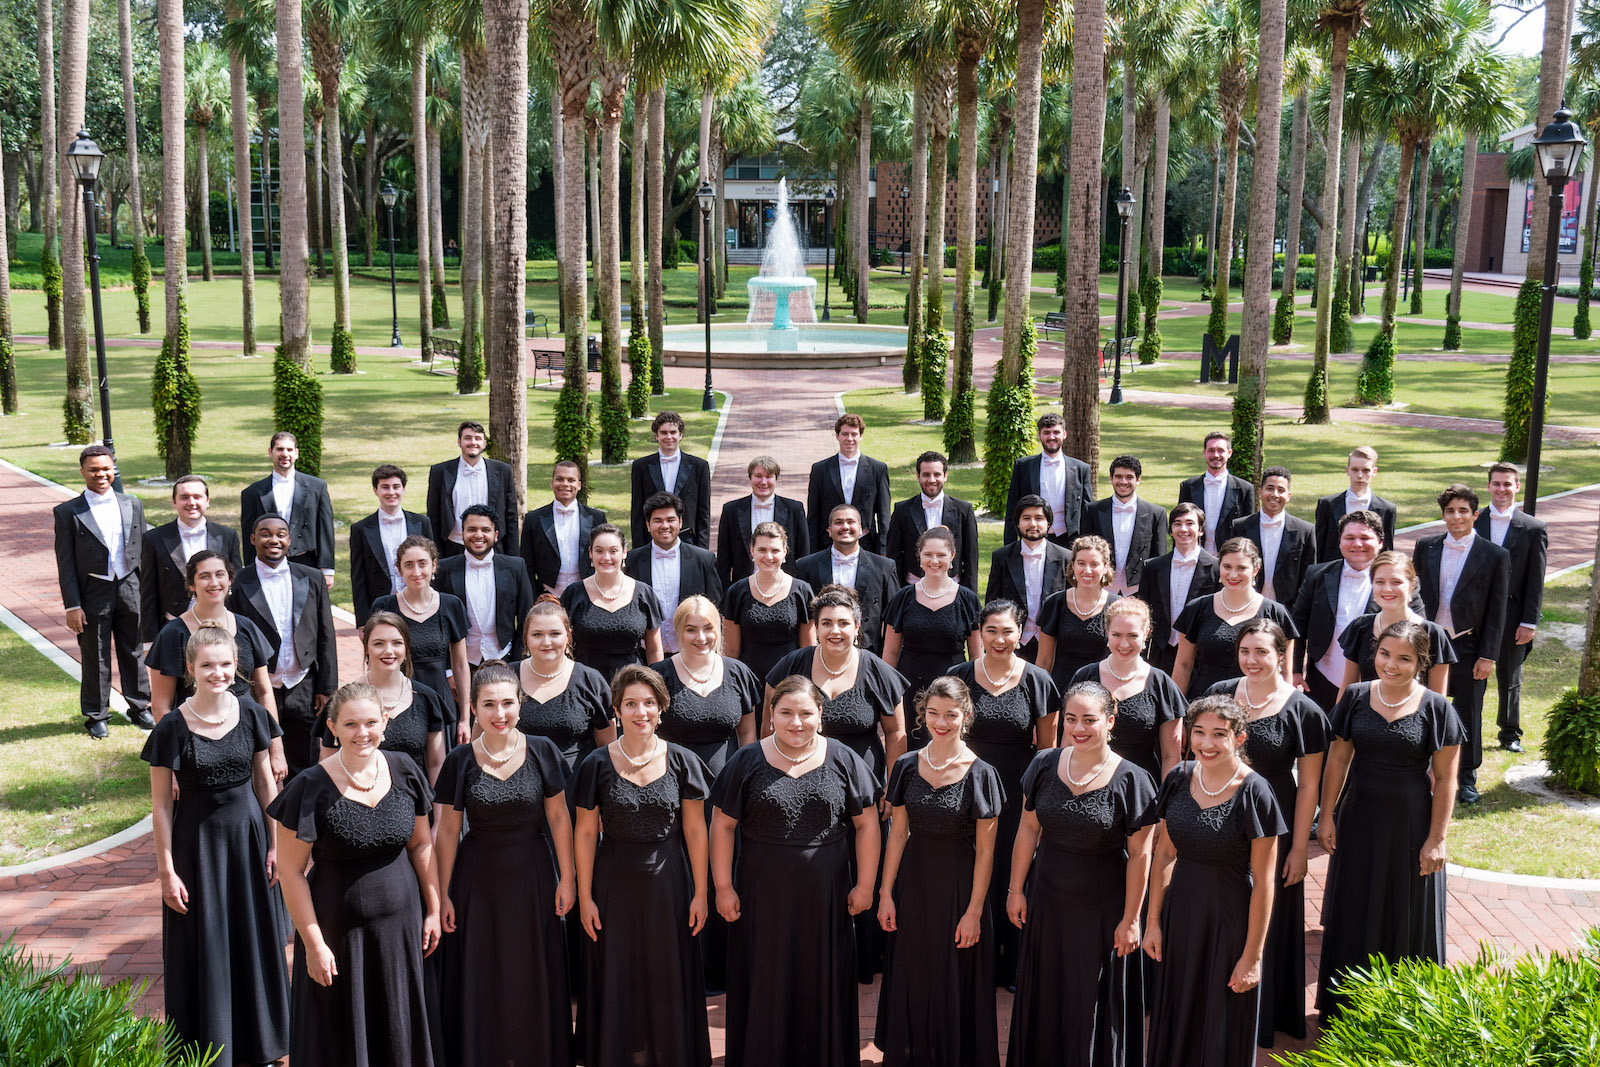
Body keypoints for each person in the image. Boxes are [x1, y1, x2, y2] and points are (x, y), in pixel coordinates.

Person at [710, 676, 882, 1067]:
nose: (796, 722)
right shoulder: (747, 759)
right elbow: (722, 825)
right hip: (761, 895)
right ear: (771, 714)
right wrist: (722, 886)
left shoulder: (842, 758)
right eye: (785, 712)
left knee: (820, 978)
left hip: (826, 896)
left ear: (820, 715)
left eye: (806, 713)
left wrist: (866, 885)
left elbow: (867, 823)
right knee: (765, 975)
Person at [269, 681, 442, 1067]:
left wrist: (432, 908)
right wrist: (313, 945)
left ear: (385, 721)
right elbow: (291, 871)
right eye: (350, 725)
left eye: (369, 723)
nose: (361, 733)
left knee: (399, 1029)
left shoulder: (405, 770)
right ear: (332, 727)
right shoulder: (308, 787)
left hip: (401, 927)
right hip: (338, 934)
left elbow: (420, 845)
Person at [143, 625, 289, 1067]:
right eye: (207, 665)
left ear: (236, 667)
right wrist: (167, 869)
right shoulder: (171, 727)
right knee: (205, 944)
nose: (218, 672)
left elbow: (266, 784)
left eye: (225, 664)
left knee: (255, 939)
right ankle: (209, 1049)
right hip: (197, 847)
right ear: (190, 669)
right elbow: (161, 806)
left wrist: (275, 844)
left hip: (249, 840)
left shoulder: (253, 715)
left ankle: (265, 1044)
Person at [1316, 621, 1464, 1017]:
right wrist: (1326, 816)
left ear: (1420, 662)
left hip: (1411, 824)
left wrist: (1438, 838)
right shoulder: (1356, 697)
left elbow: (1448, 778)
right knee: (1355, 907)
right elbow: (1339, 759)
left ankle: (1404, 1012)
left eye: (1404, 658)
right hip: (1359, 818)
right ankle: (1345, 1008)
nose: (1391, 665)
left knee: (1407, 912)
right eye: (1385, 654)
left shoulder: (1437, 707)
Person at [1005, 682, 1157, 1067]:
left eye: (1089, 719)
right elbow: (1027, 828)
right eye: (1071, 719)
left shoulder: (1133, 780)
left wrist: (1131, 919)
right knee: (1047, 989)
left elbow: (1141, 854)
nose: (1078, 728)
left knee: (1090, 996)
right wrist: (1015, 889)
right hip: (1048, 897)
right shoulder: (1043, 764)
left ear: (1110, 720)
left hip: (1102, 905)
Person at [433, 663, 575, 1067]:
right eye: (489, 704)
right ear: (474, 708)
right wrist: (442, 894)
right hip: (477, 881)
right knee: (484, 969)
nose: (500, 713)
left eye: (508, 703)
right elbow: (446, 833)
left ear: (520, 704)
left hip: (533, 875)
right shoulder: (459, 760)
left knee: (532, 969)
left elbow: (559, 818)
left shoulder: (543, 750)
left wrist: (568, 878)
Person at [575, 665, 713, 1067]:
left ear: (661, 708)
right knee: (618, 971)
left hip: (669, 883)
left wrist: (701, 893)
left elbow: (695, 831)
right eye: (631, 704)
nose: (641, 712)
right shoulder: (596, 764)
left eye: (649, 703)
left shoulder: (682, 761)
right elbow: (585, 834)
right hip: (612, 882)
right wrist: (585, 897)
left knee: (667, 971)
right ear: (616, 710)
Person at [1202, 620, 1330, 1046]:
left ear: (1281, 655)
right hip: (1221, 817)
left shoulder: (1303, 709)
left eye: (1262, 652)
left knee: (1268, 913)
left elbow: (1310, 783)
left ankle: (1261, 1014)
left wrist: (1298, 847)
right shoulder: (1220, 694)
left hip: (1276, 823)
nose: (1252, 660)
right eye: (1245, 651)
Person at [1142, 695, 1286, 1067]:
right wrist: (1154, 922)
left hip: (1229, 917)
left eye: (1219, 734)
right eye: (1199, 732)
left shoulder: (1256, 792)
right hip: (1181, 913)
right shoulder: (1177, 778)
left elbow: (1265, 882)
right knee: (1177, 1008)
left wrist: (1252, 957)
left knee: (1220, 1019)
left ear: (1239, 738)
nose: (1206, 744)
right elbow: (1165, 854)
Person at [876, 678, 1004, 1067]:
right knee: (913, 967)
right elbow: (897, 834)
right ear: (923, 715)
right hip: (914, 882)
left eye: (950, 714)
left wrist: (974, 911)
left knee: (954, 971)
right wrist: (885, 893)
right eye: (933, 713)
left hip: (959, 884)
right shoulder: (905, 766)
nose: (941, 722)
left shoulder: (982, 773)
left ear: (966, 715)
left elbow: (986, 851)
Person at [944, 601, 1059, 989]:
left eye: (1007, 631)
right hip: (966, 789)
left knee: (1012, 870)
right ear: (979, 632)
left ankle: (1012, 964)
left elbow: (1046, 751)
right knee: (970, 866)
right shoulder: (959, 677)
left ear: (1021, 633)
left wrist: (1038, 803)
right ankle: (971, 958)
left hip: (1015, 791)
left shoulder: (1039, 681)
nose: (999, 639)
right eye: (991, 630)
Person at [652, 597, 764, 994]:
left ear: (720, 630)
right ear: (676, 632)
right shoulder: (658, 676)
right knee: (682, 871)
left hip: (728, 786)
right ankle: (685, 966)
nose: (701, 637)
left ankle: (727, 966)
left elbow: (749, 734)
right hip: (672, 791)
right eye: (690, 629)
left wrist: (747, 781)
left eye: (708, 628)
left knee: (727, 871)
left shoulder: (738, 673)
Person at [146, 552, 284, 779]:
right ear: (192, 584)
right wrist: (170, 766)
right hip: (197, 742)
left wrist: (276, 748)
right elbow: (161, 705)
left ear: (229, 580)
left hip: (249, 737)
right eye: (204, 576)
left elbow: (263, 690)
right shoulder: (173, 634)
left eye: (220, 574)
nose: (213, 582)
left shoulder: (246, 627)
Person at [1415, 483, 1509, 805]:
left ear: (1475, 514)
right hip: (1428, 644)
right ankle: (1420, 768)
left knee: (1468, 712)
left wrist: (1488, 656)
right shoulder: (1426, 547)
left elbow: (1498, 610)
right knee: (1423, 706)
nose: (1456, 517)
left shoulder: (1495, 555)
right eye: (1450, 511)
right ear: (1443, 515)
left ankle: (1466, 776)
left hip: (1469, 646)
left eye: (1463, 511)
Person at [764, 585, 908, 791]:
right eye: (826, 623)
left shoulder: (878, 672)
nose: (835, 631)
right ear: (816, 627)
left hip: (862, 785)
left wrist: (892, 788)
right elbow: (768, 728)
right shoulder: (791, 666)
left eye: (843, 623)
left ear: (857, 627)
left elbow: (895, 733)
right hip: (799, 781)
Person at [54, 444, 151, 737]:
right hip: (93, 589)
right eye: (93, 469)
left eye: (106, 468)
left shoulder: (132, 502)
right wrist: (72, 604)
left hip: (130, 586)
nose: (101, 474)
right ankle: (97, 714)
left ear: (114, 469)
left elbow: (144, 550)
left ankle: (140, 705)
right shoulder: (67, 512)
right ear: (82, 472)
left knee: (133, 649)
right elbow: (66, 563)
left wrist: (148, 593)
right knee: (95, 653)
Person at [230, 514, 337, 779]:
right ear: (253, 540)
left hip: (304, 685)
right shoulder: (238, 583)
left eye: (281, 534)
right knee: (263, 761)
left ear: (289, 540)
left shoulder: (311, 577)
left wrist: (326, 687)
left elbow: (326, 634)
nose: (273, 539)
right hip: (260, 687)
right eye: (265, 534)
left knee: (306, 761)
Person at [317, 612, 449, 784]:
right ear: (366, 648)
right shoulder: (344, 701)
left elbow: (436, 765)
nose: (388, 651)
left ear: (406, 648)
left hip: (416, 805)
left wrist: (438, 811)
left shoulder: (427, 698)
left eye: (397, 643)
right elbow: (327, 765)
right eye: (378, 643)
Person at [1070, 597, 1186, 781]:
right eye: (1117, 635)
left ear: (1146, 633)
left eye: (1132, 635)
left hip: (1142, 785)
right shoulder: (1085, 677)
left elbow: (1171, 755)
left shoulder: (1161, 683)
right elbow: (1068, 743)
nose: (1124, 644)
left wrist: (1165, 803)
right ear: (1107, 632)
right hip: (1088, 779)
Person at [1475, 462, 1547, 754]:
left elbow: (1535, 579)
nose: (1501, 489)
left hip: (1513, 614)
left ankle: (1509, 732)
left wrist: (1529, 621)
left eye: (1508, 484)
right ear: (1489, 486)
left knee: (1510, 677)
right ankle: (1468, 727)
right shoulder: (1474, 522)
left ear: (1517, 487)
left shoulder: (1533, 528)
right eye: (1496, 483)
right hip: (1476, 614)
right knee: (1472, 675)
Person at [370, 536, 471, 740]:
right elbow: (373, 664)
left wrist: (464, 719)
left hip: (441, 701)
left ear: (434, 565)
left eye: (422, 564)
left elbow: (460, 665)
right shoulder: (384, 606)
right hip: (397, 701)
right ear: (399, 570)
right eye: (409, 565)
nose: (416, 572)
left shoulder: (451, 605)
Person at [1172, 537, 1299, 699]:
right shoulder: (1197, 609)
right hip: (1204, 706)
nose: (1233, 574)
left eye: (1241, 568)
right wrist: (1177, 714)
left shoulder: (1276, 613)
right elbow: (1183, 665)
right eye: (1227, 566)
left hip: (1255, 704)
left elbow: (1286, 671)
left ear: (1256, 569)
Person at [513, 597, 616, 795]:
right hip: (517, 791)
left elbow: (607, 748)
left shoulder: (590, 681)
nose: (546, 642)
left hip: (577, 791)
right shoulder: (507, 679)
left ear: (568, 636)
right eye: (537, 634)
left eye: (555, 633)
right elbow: (481, 741)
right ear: (526, 637)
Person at [883, 527, 983, 728]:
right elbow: (890, 653)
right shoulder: (902, 598)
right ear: (919, 555)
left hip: (953, 688)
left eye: (941, 555)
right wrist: (888, 695)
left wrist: (974, 696)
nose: (934, 561)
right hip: (909, 686)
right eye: (928, 554)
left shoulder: (967, 599)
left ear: (953, 555)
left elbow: (976, 655)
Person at [1292, 510, 1387, 711]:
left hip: (1375, 681)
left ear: (1380, 542)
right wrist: (1294, 670)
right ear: (1340, 541)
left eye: (1365, 538)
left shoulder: (1395, 582)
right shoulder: (1317, 575)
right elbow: (1298, 623)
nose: (1357, 544)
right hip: (1321, 678)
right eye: (1349, 538)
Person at [434, 505, 537, 676]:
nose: (478, 535)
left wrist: (519, 661)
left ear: (495, 535)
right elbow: (439, 624)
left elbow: (527, 617)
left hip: (505, 658)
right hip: (461, 662)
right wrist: (448, 670)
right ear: (462, 534)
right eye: (472, 529)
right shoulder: (444, 569)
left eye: (485, 530)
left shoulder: (515, 567)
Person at [1337, 550, 1455, 697]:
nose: (1387, 589)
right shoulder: (1360, 627)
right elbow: (1347, 688)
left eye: (1396, 582)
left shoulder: (1433, 634)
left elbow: (1438, 700)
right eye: (1379, 582)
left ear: (1412, 585)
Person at [140, 474, 243, 641]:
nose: (191, 502)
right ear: (174, 502)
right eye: (184, 497)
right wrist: (149, 641)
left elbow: (236, 583)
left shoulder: (227, 536)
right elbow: (148, 593)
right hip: (174, 626)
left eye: (197, 497)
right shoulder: (154, 539)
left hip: (221, 628)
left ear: (207, 501)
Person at [792, 504, 902, 655]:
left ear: (861, 529)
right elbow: (801, 617)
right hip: (821, 652)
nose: (845, 526)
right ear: (829, 531)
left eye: (851, 522)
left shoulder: (884, 567)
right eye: (838, 522)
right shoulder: (806, 566)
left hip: (868, 653)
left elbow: (893, 619)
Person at [561, 524, 665, 680]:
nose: (606, 557)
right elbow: (562, 646)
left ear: (624, 553)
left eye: (613, 551)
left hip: (631, 684)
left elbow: (654, 650)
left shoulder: (643, 593)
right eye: (599, 551)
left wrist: (656, 686)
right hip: (585, 684)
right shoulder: (574, 593)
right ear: (590, 553)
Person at [625, 491, 722, 653]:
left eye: (670, 520)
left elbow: (714, 611)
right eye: (658, 520)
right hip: (644, 653)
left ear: (681, 522)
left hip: (691, 651)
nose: (665, 526)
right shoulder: (631, 560)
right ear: (648, 525)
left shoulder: (704, 560)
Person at [721, 521, 817, 681]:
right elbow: (730, 652)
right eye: (762, 550)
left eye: (775, 550)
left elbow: (808, 649)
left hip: (790, 681)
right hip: (748, 682)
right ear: (752, 551)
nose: (769, 556)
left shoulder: (802, 591)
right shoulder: (736, 592)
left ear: (785, 552)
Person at [240, 431, 336, 587]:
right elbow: (248, 536)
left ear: (296, 453)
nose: (285, 454)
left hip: (306, 562)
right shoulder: (252, 493)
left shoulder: (317, 487)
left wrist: (327, 570)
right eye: (279, 449)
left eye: (289, 450)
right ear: (270, 452)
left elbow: (325, 530)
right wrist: (251, 569)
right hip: (267, 563)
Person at [1137, 502, 1220, 674]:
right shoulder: (1153, 567)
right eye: (1177, 523)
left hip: (1200, 654)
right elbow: (1142, 611)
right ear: (1170, 530)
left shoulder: (1216, 568)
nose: (1183, 529)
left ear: (1201, 530)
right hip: (1161, 651)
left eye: (1190, 523)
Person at [986, 495, 1070, 663]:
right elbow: (992, 603)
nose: (1033, 524)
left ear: (1049, 523)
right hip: (1014, 642)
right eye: (1026, 518)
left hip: (1054, 641)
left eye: (1039, 518)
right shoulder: (1002, 557)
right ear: (1018, 523)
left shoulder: (1065, 557)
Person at [1037, 535, 1122, 695]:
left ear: (1105, 567)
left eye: (1094, 564)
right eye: (1081, 563)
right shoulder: (1055, 603)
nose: (1087, 570)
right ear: (1073, 566)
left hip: (1103, 691)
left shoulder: (1117, 607)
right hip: (1060, 690)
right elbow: (1044, 660)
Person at [350, 464, 433, 625]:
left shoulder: (422, 523)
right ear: (375, 490)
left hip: (419, 603)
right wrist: (361, 622)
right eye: (385, 487)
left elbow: (432, 566)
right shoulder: (361, 529)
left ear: (404, 489)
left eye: (396, 486)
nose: (391, 492)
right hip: (381, 606)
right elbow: (358, 579)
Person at [885, 450, 981, 589]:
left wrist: (970, 595)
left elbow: (971, 558)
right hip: (913, 587)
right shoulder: (902, 510)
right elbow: (893, 556)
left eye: (937, 474)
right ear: (918, 477)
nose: (931, 480)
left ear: (945, 476)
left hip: (953, 588)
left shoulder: (963, 510)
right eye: (926, 475)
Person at [425, 420, 520, 558]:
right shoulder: (440, 472)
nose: (473, 442)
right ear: (459, 442)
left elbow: (511, 516)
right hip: (453, 547)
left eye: (478, 438)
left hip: (492, 547)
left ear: (484, 443)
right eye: (467, 438)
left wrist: (513, 556)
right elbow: (434, 517)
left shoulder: (503, 471)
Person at [1225, 466, 1315, 608]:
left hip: (1289, 610)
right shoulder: (1240, 526)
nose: (1275, 494)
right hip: (1246, 606)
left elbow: (1309, 579)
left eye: (1281, 490)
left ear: (1289, 496)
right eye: (1270, 488)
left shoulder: (1305, 531)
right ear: (1260, 492)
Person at [1003, 412, 1094, 547]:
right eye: (1046, 433)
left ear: (1064, 434)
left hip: (1070, 540)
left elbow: (1087, 512)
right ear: (1039, 435)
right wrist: (1010, 547)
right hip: (1033, 538)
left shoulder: (1081, 468)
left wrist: (1087, 545)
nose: (1051, 437)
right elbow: (1012, 508)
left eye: (1056, 432)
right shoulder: (1023, 466)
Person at [807, 412, 893, 554]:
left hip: (866, 543)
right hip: (828, 543)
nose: (849, 439)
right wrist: (811, 549)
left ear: (861, 436)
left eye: (854, 434)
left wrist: (883, 549)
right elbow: (813, 515)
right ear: (837, 436)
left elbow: (884, 515)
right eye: (845, 434)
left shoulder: (878, 469)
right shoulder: (820, 470)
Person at [717, 454, 809, 586]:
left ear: (776, 479)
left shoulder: (794, 509)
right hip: (744, 586)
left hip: (784, 586)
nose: (763, 482)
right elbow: (723, 559)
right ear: (750, 478)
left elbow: (803, 554)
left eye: (769, 476)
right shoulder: (731, 510)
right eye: (758, 476)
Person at [520, 460, 607, 597]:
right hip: (548, 595)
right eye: (559, 479)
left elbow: (604, 559)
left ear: (578, 485)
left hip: (587, 594)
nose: (565, 484)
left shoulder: (597, 518)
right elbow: (527, 565)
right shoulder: (533, 519)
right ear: (551, 483)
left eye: (571, 480)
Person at [1085, 454, 1166, 595]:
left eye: (1129, 477)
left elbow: (1159, 558)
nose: (1123, 482)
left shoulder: (1156, 514)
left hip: (1139, 588)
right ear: (1111, 479)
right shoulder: (1092, 511)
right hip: (1102, 586)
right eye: (1118, 476)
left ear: (1138, 480)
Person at [631, 411, 712, 548]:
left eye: (673, 432)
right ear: (656, 436)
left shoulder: (699, 466)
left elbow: (704, 512)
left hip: (688, 539)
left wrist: (702, 550)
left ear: (680, 435)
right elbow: (637, 511)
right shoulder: (641, 466)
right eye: (663, 433)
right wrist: (638, 549)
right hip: (652, 539)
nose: (669, 437)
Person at [1313, 445, 1397, 560]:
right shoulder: (1327, 504)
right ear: (1347, 470)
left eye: (1366, 470)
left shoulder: (1387, 509)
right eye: (1355, 469)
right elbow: (1319, 546)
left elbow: (1386, 551)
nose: (1360, 475)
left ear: (1374, 471)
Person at [1177, 432, 1256, 553]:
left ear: (1229, 453)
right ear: (1204, 453)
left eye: (1220, 450)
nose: (1216, 455)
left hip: (1231, 557)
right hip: (1195, 554)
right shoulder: (1188, 486)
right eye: (1211, 450)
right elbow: (1180, 524)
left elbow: (1249, 530)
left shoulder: (1245, 489)